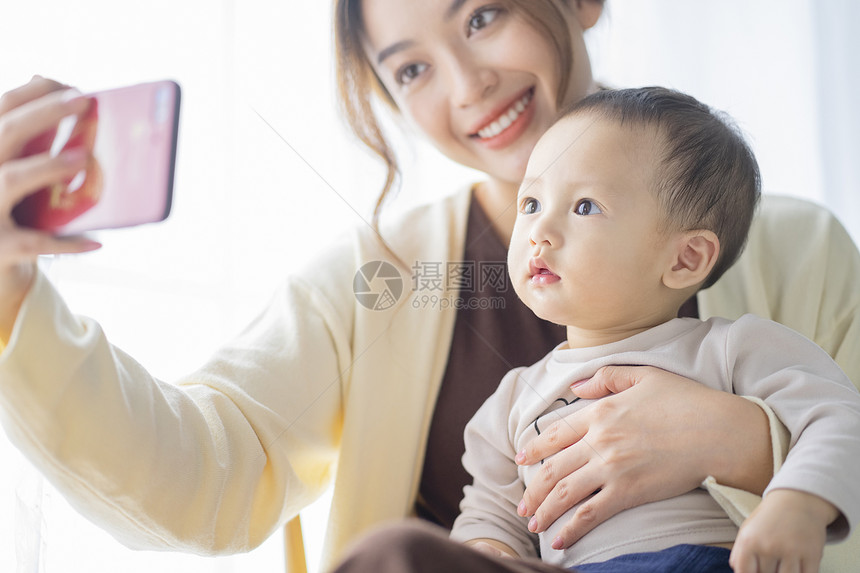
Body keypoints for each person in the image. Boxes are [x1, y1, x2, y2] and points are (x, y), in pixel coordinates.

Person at [0, 1, 857, 572]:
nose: (467, 84)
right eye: (410, 70)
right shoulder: (374, 279)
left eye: (482, 15)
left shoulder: (802, 251)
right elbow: (206, 471)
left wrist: (750, 445)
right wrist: (11, 300)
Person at [449, 86, 860, 573]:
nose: (540, 231)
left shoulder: (732, 349)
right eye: (531, 202)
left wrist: (799, 503)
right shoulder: (512, 399)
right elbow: (490, 515)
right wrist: (489, 552)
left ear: (686, 259)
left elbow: (838, 421)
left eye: (585, 207)